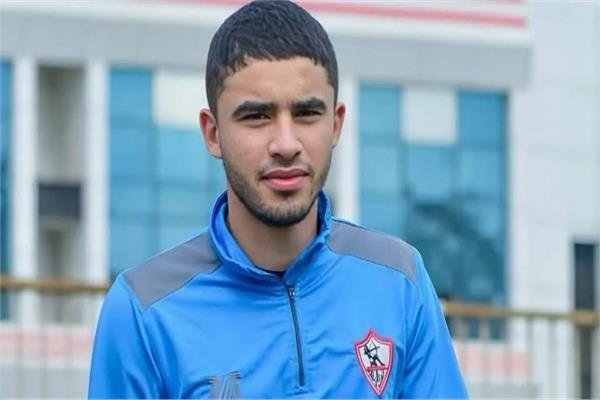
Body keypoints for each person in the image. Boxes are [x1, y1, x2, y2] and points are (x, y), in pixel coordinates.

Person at [88, 1, 468, 398]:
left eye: (306, 114)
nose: (286, 144)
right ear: (213, 133)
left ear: (335, 124)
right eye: (257, 116)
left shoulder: (400, 281)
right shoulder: (143, 310)